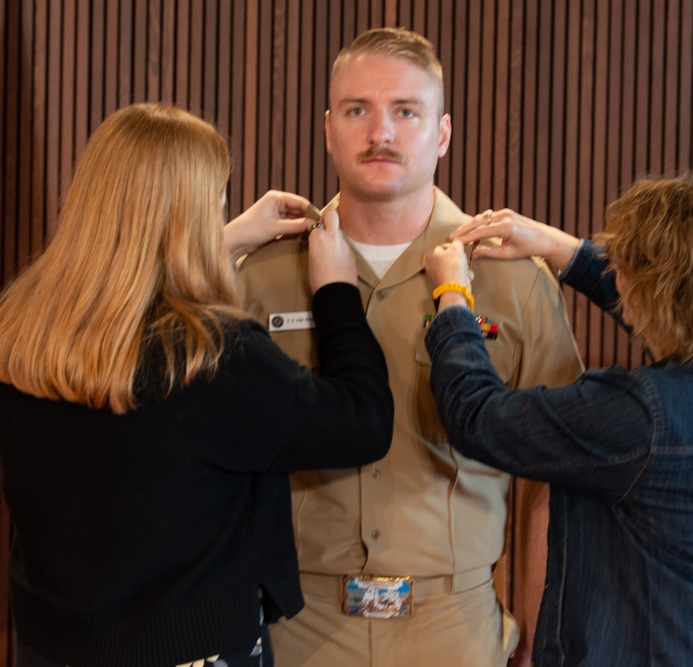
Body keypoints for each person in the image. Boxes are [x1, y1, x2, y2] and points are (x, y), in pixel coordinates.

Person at [0, 103, 394, 667]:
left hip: (51, 648)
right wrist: (337, 294)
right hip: (189, 650)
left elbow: (124, 302)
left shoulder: (16, 333)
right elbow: (363, 421)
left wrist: (223, 240)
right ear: (190, 217)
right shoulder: (212, 354)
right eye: (215, 202)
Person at [237, 28, 583, 666]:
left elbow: (551, 481)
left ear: (443, 134)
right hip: (294, 629)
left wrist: (541, 637)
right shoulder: (258, 275)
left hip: (456, 631)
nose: (382, 134)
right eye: (357, 110)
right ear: (328, 128)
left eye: (406, 112)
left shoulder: (514, 278)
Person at [422, 174, 693, 665]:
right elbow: (681, 314)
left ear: (659, 289)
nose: (618, 276)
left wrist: (452, 294)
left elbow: (477, 417)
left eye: (624, 266)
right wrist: (557, 248)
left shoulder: (640, 416)